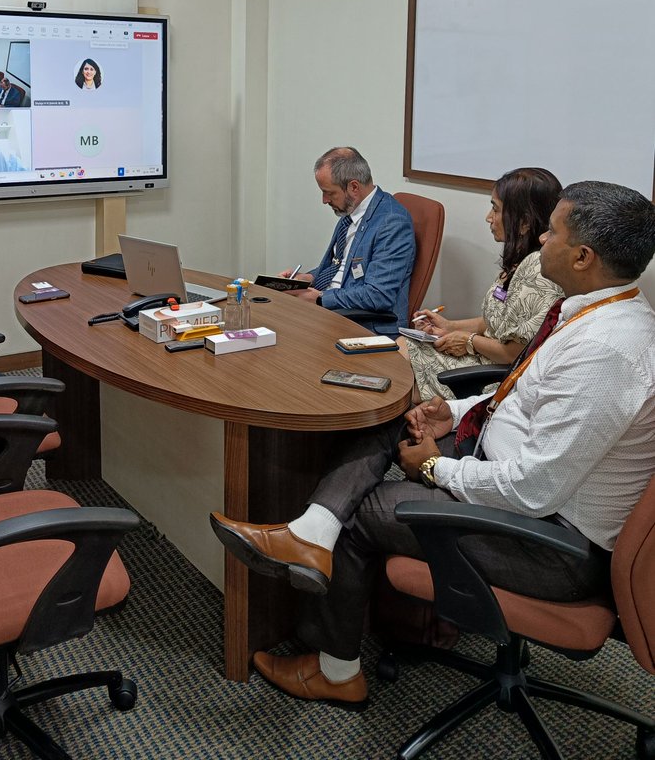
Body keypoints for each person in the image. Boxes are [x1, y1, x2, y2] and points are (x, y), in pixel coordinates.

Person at [211, 180, 655, 709]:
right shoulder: (589, 313)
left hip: (549, 543)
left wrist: (434, 469)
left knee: (362, 513)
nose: (540, 242)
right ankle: (310, 530)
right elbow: (523, 397)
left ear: (583, 256)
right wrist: (455, 412)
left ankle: (335, 669)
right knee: (391, 409)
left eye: (552, 233)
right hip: (513, 480)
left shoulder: (607, 353)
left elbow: (533, 491)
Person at [404, 167, 563, 399]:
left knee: (399, 366)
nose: (489, 217)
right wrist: (450, 327)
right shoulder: (521, 260)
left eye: (496, 209)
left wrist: (468, 341)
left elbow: (513, 354)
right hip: (481, 357)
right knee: (402, 346)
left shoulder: (538, 271)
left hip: (490, 377)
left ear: (524, 223)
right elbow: (498, 322)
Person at [279, 147, 416, 335]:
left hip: (364, 324)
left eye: (329, 193)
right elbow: (340, 265)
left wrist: (319, 299)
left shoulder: (392, 223)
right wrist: (308, 278)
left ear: (353, 187)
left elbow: (378, 295)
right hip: (331, 310)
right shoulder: (351, 211)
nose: (324, 200)